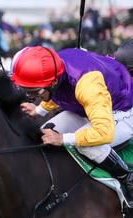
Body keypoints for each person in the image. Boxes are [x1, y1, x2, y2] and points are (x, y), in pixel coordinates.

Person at [11, 46, 133, 205]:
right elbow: (63, 90)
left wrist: (63, 138)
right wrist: (40, 110)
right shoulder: (55, 66)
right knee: (46, 133)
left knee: (86, 145)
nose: (30, 96)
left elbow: (104, 132)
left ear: (52, 82)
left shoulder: (87, 85)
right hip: (92, 106)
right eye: (25, 90)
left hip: (122, 109)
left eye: (33, 91)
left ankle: (127, 177)